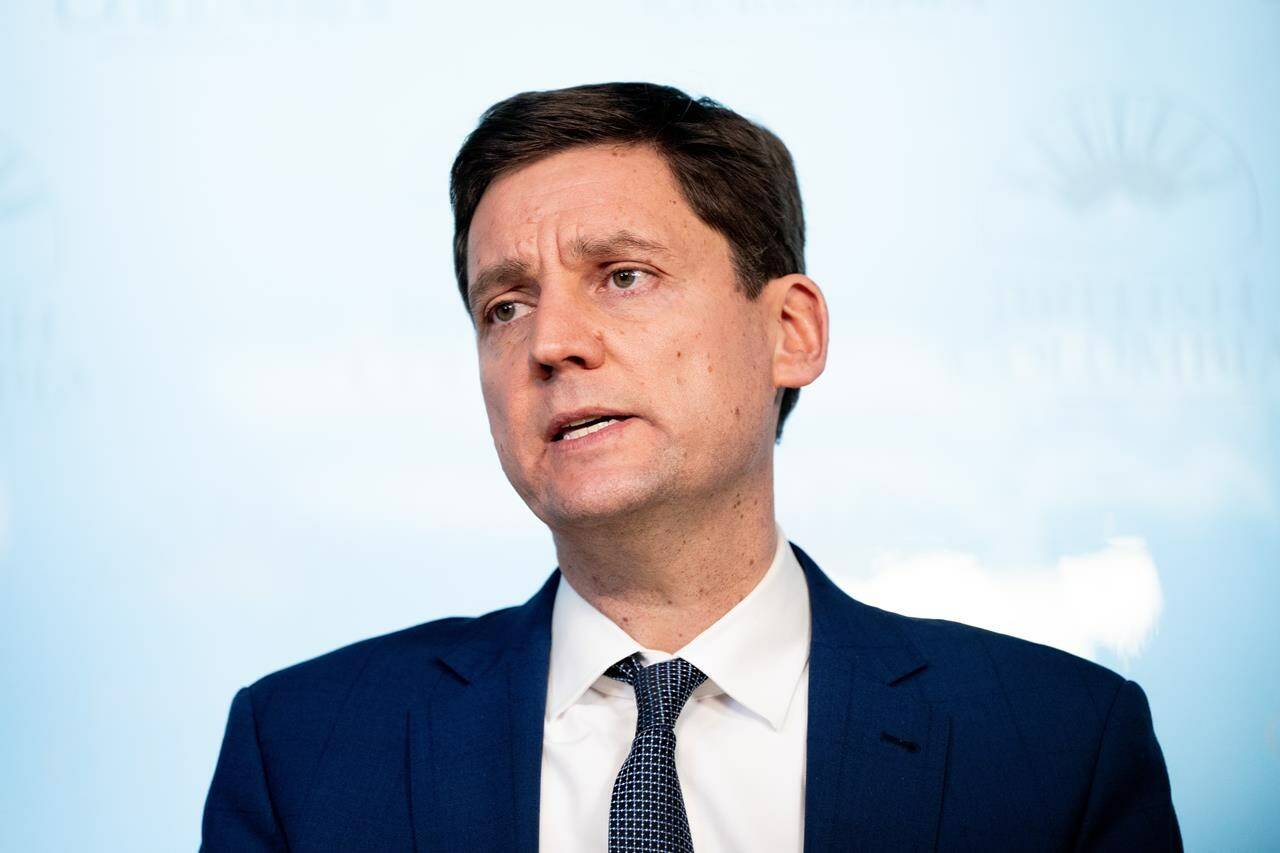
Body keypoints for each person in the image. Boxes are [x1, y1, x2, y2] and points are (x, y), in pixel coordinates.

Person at [200, 82, 1181, 852]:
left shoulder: (1057, 747)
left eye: (623, 277)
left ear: (788, 330)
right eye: (503, 305)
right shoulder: (303, 748)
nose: (549, 342)